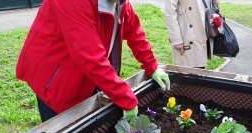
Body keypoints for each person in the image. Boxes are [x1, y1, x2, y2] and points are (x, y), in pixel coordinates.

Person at [16, 0, 170, 122]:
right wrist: (126, 98)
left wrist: (152, 66)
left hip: (86, 73)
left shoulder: (119, 2)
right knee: (60, 132)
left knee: (85, 121)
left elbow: (134, 32)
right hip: (54, 77)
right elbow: (89, 56)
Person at [164, 0, 222, 68]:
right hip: (187, 34)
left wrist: (214, 3)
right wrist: (176, 40)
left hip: (203, 29)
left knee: (199, 67)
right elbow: (170, 13)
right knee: (187, 69)